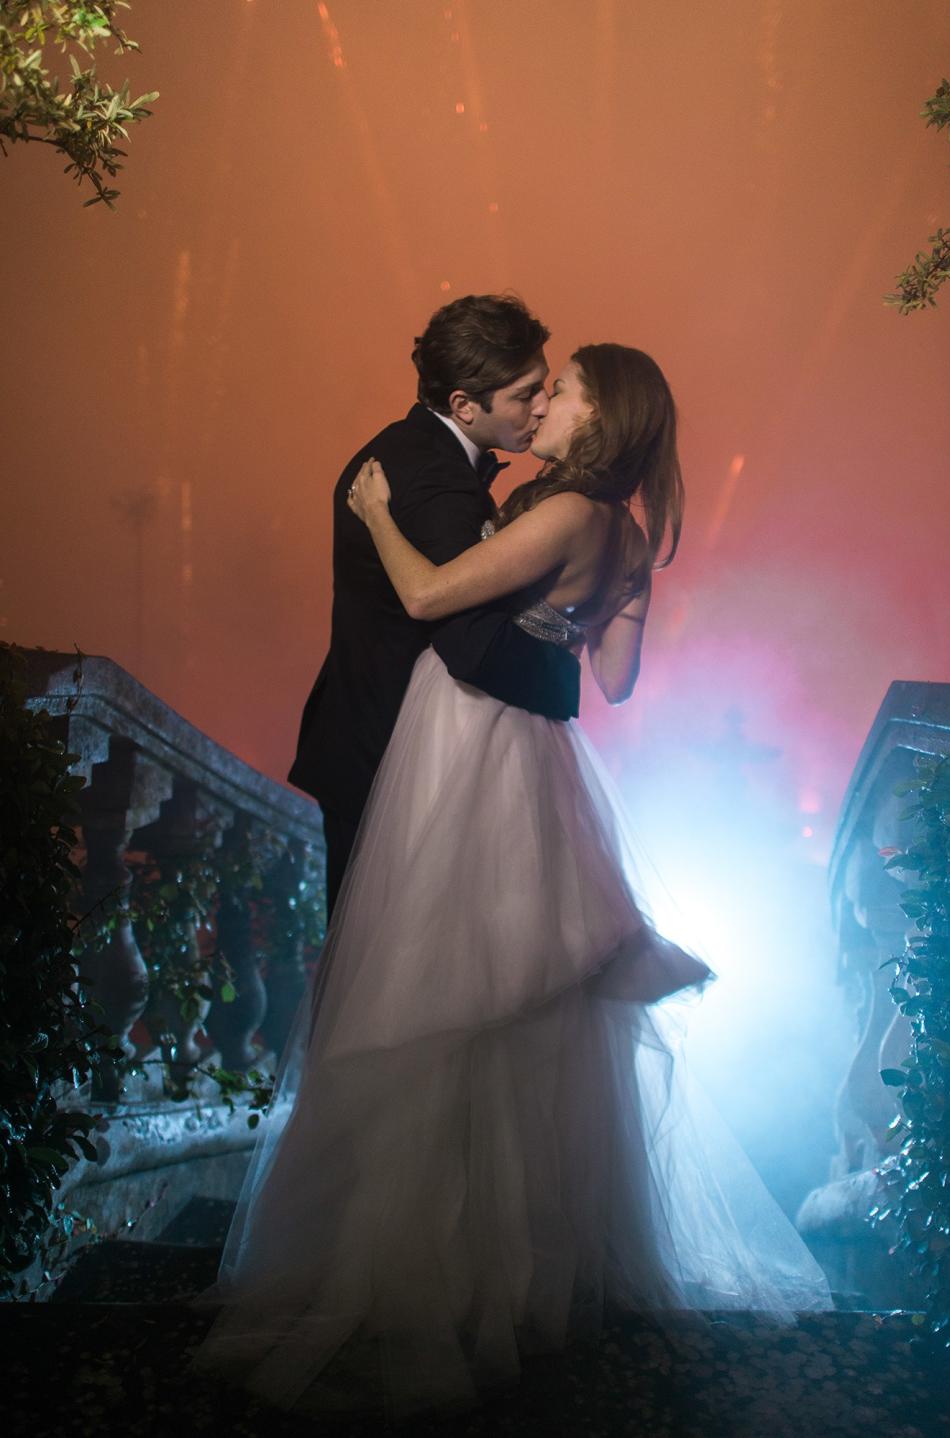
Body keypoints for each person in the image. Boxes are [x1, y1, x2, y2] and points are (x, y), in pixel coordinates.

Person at [190, 342, 833, 1422]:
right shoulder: (625, 538)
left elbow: (433, 591)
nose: (549, 398)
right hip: (544, 758)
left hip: (473, 744)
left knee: (441, 983)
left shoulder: (570, 513)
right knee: (522, 1001)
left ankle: (422, 1269)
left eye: (567, 387)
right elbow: (617, 682)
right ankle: (522, 1269)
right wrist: (586, 612)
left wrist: (378, 511)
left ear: (603, 415)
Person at [287, 292, 581, 920]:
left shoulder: (414, 450)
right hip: (388, 761)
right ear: (463, 405)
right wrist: (569, 683)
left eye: (545, 387)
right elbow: (470, 641)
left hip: (375, 743)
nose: (543, 406)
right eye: (525, 394)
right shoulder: (436, 484)